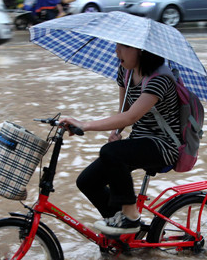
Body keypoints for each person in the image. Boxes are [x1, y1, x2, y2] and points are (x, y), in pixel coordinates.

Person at [61, 44, 181, 235]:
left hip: (164, 145)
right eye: (117, 47)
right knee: (87, 181)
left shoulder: (160, 79)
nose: (117, 53)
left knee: (111, 152)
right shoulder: (125, 72)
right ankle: (128, 233)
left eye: (123, 47)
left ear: (141, 50)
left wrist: (84, 124)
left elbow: (131, 117)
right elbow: (123, 112)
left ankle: (131, 217)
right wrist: (117, 132)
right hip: (140, 139)